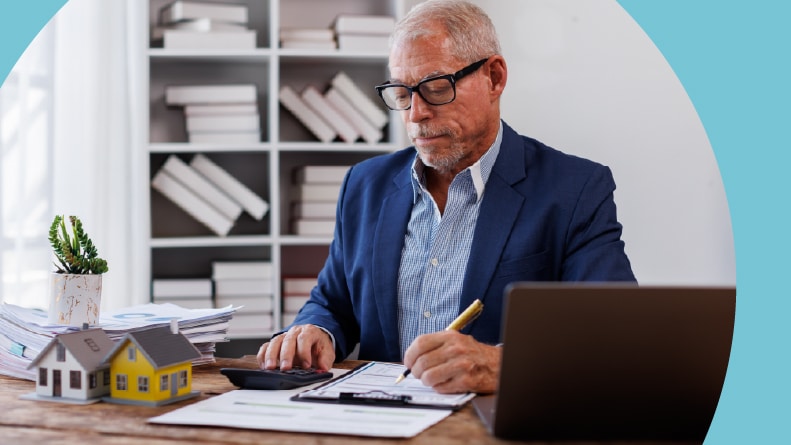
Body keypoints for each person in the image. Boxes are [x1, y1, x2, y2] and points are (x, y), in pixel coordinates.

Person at [257, 0, 635, 394]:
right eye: (402, 94)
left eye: (436, 89)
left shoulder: (574, 189)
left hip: (490, 423)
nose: (415, 113)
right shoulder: (365, 184)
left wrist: (502, 365)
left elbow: (611, 331)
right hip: (375, 417)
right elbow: (333, 301)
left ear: (494, 77)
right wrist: (315, 330)